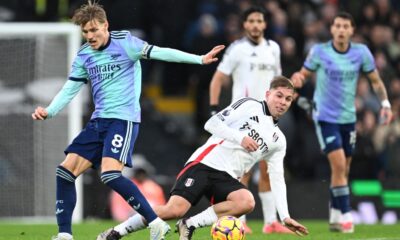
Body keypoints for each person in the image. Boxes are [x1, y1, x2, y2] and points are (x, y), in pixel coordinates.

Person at [31, 1, 224, 240]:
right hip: (98, 122)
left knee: (110, 175)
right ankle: (65, 235)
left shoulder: (125, 43)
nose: (90, 36)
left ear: (105, 25)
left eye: (94, 30)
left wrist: (199, 59)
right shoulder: (84, 55)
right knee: (65, 172)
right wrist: (49, 111)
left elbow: (161, 52)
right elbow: (70, 88)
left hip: (122, 120)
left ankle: (155, 223)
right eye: (85, 31)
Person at [97, 76, 309, 240]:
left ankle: (189, 224)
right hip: (206, 163)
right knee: (174, 210)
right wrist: (240, 138)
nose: (282, 102)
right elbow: (211, 124)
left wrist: (285, 216)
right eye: (279, 95)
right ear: (268, 94)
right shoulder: (249, 105)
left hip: (227, 177)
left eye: (288, 99)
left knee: (246, 202)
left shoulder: (278, 139)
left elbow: (277, 176)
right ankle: (116, 232)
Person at [291, 12, 393, 233]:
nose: (341, 29)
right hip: (325, 117)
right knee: (338, 164)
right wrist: (298, 79)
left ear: (352, 30)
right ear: (332, 29)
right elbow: (303, 74)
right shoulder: (320, 51)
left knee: (343, 169)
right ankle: (346, 214)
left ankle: (335, 216)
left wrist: (385, 103)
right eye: (337, 25)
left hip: (348, 118)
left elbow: (375, 81)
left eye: (345, 26)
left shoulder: (361, 53)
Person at [208, 6, 289, 234]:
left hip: (267, 117)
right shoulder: (237, 49)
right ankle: (238, 221)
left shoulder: (274, 48)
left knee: (266, 169)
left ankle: (270, 222)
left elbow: (278, 81)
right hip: (243, 118)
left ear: (264, 24)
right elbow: (218, 79)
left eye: (259, 21)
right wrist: (214, 110)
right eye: (251, 21)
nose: (255, 25)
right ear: (245, 25)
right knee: (242, 171)